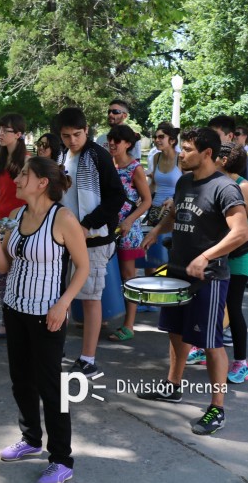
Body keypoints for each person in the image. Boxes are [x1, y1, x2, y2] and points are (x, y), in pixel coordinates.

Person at [0, 157, 89, 483]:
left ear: (42, 183)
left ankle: (62, 460)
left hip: (47, 315)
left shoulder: (64, 219)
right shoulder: (17, 215)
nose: (17, 179)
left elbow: (82, 267)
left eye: (24, 175)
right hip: (14, 308)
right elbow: (5, 267)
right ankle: (30, 440)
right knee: (21, 380)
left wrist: (63, 304)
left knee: (51, 388)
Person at [138, 128, 248, 436]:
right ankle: (173, 386)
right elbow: (176, 213)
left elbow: (240, 231)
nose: (182, 153)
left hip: (208, 279)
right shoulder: (185, 181)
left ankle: (217, 407)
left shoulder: (224, 188)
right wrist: (156, 230)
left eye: (187, 149)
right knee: (175, 332)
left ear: (208, 153)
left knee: (210, 343)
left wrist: (206, 257)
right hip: (177, 272)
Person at [55, 106, 126, 377]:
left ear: (86, 131)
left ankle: (88, 359)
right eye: (66, 135)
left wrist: (87, 225)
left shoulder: (98, 156)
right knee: (59, 293)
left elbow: (116, 197)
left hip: (94, 240)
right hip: (63, 239)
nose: (72, 140)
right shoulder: (62, 154)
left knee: (89, 297)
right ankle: (56, 347)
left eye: (77, 134)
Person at [188, 144, 248, 383]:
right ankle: (202, 346)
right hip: (214, 255)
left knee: (233, 307)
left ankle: (241, 363)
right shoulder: (212, 182)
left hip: (238, 257)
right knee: (208, 304)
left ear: (223, 159)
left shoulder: (243, 186)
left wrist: (230, 242)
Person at [0, 113, 28, 339]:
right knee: (1, 276)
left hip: (20, 226)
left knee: (12, 275)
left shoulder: (28, 161)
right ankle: (7, 322)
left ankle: (15, 324)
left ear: (18, 135)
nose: (0, 133)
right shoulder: (2, 159)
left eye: (5, 130)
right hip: (1, 225)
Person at [107, 124, 152, 342]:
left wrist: (129, 221)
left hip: (127, 230)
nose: (113, 144)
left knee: (128, 276)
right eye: (111, 139)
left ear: (128, 144)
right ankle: (104, 315)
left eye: (118, 140)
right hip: (105, 228)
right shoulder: (106, 164)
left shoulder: (135, 168)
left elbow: (147, 201)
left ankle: (129, 325)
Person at [143, 122, 182, 276]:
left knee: (167, 254)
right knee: (151, 252)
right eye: (155, 137)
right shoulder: (156, 157)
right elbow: (153, 184)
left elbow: (186, 187)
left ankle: (166, 287)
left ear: (172, 140)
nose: (156, 140)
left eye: (161, 137)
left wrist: (174, 200)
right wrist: (144, 199)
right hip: (155, 209)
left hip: (172, 211)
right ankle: (149, 289)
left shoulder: (181, 159)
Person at [208, 115, 248, 183]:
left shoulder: (243, 159)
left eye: (216, 135)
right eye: (209, 135)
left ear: (230, 136)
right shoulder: (207, 155)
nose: (211, 138)